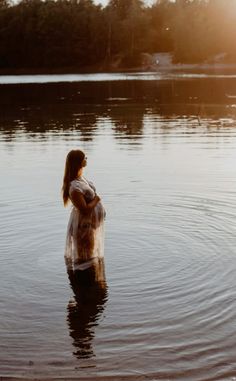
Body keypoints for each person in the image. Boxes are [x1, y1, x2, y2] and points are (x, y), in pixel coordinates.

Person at [62, 149, 106, 276]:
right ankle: (85, 284)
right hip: (84, 226)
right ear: (78, 162)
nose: (86, 160)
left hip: (89, 226)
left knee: (89, 254)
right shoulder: (74, 187)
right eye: (84, 158)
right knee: (85, 256)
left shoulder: (80, 178)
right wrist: (97, 199)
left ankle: (87, 283)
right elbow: (85, 209)